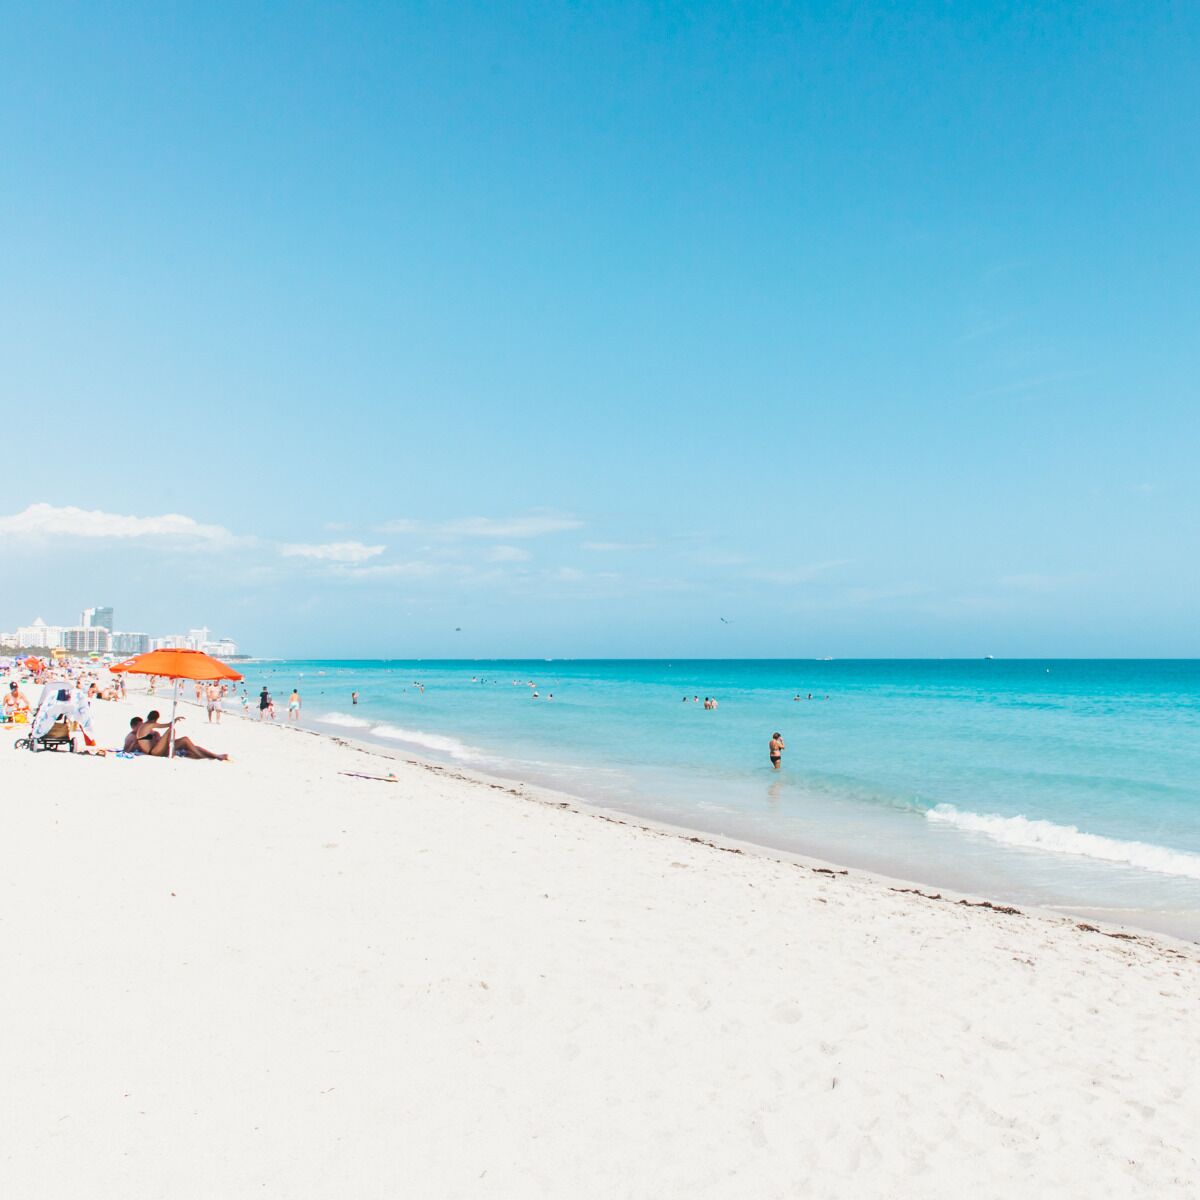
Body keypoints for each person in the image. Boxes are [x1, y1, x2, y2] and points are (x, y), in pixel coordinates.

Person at [131, 710, 230, 760]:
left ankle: (216, 756)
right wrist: (176, 719)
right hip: (153, 752)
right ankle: (199, 755)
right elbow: (169, 725)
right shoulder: (149, 724)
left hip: (155, 749)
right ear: (156, 719)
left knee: (185, 740)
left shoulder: (144, 727)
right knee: (171, 730)